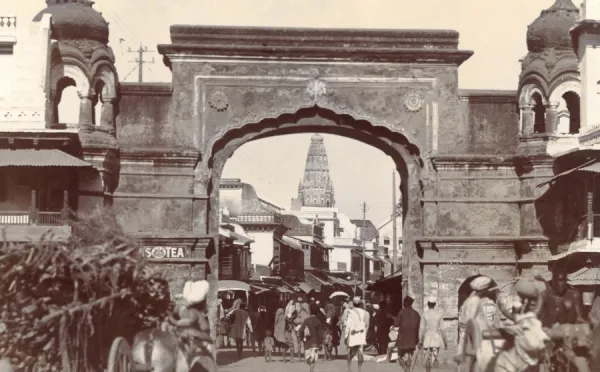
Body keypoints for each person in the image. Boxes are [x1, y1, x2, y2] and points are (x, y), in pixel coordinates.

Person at [168, 280, 213, 357]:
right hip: (201, 341)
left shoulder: (195, 312)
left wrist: (172, 319)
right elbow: (188, 322)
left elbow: (188, 322)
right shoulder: (194, 312)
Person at [456, 276, 493, 365]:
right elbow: (470, 321)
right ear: (483, 290)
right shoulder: (475, 300)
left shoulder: (469, 299)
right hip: (476, 338)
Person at [419, 296, 447, 368]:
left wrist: (420, 341)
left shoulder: (424, 314)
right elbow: (442, 330)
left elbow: (422, 329)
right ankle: (434, 359)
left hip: (427, 337)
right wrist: (445, 342)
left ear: (428, 304)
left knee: (427, 359)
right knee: (434, 357)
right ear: (435, 304)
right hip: (436, 338)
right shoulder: (439, 314)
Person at [395, 296, 420, 371]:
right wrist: (417, 338)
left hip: (402, 338)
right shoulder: (416, 314)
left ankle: (405, 369)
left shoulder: (401, 312)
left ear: (405, 303)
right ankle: (408, 369)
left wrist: (393, 318)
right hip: (412, 338)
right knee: (409, 355)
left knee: (399, 356)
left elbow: (396, 323)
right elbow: (419, 327)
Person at [344, 297, 369, 372]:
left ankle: (349, 368)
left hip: (352, 334)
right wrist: (364, 334)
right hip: (361, 334)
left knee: (349, 351)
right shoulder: (364, 312)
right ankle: (359, 369)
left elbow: (348, 324)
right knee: (360, 351)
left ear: (353, 303)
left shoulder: (350, 312)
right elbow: (366, 324)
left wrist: (345, 335)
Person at [299, 303, 324, 372]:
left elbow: (301, 330)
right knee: (313, 360)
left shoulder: (306, 321)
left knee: (307, 359)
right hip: (315, 343)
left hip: (307, 343)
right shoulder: (318, 321)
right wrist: (321, 344)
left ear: (310, 311)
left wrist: (302, 339)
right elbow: (320, 334)